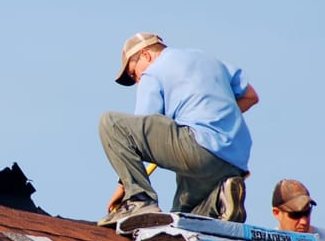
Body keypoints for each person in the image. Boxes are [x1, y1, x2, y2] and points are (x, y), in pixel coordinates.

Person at [97, 32, 259, 227]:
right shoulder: (208, 59)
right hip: (234, 160)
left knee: (111, 123)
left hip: (198, 148)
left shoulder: (153, 71)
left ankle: (139, 200)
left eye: (134, 73)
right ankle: (220, 200)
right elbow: (250, 96)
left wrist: (124, 186)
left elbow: (138, 132)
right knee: (182, 222)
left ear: (146, 55)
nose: (137, 81)